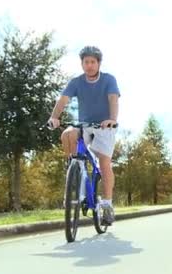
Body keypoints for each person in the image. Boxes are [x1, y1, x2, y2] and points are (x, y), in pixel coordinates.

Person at [48, 46, 120, 225]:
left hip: (104, 126)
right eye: (86, 62)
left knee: (104, 162)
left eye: (92, 62)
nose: (89, 65)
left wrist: (111, 119)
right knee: (67, 134)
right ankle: (74, 170)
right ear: (82, 64)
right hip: (85, 126)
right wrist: (54, 117)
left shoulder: (108, 79)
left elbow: (113, 99)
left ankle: (107, 205)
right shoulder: (76, 82)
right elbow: (63, 100)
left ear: (98, 63)